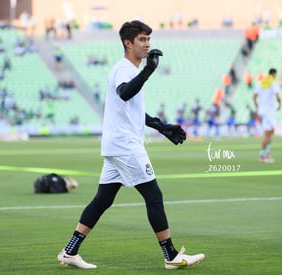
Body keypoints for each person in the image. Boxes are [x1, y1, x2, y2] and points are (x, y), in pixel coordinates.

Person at [57, 20, 204, 270]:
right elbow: (125, 93)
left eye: (149, 39)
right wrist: (148, 71)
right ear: (128, 43)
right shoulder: (125, 70)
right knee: (153, 196)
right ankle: (170, 255)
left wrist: (162, 126)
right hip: (126, 146)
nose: (147, 44)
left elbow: (132, 110)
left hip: (117, 145)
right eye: (142, 40)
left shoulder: (129, 70)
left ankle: (69, 252)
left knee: (103, 200)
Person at [253, 68, 281, 163]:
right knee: (267, 133)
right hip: (268, 111)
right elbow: (277, 95)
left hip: (263, 110)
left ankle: (267, 153)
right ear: (274, 74)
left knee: (271, 131)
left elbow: (254, 96)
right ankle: (263, 156)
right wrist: (280, 104)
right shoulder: (273, 83)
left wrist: (257, 105)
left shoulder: (260, 82)